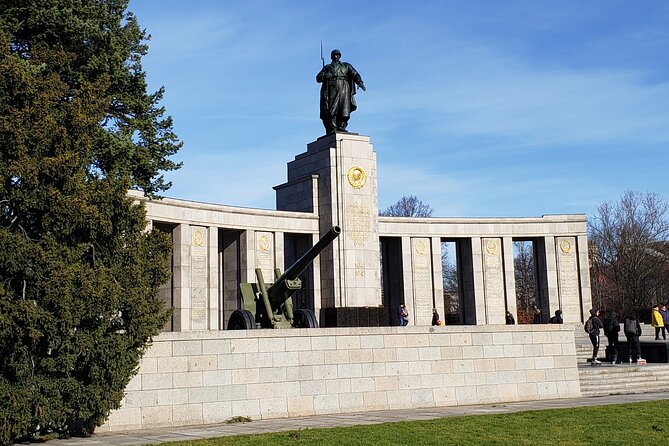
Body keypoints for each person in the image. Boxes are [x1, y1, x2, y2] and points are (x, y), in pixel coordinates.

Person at [316, 49, 365, 134]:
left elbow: (355, 74)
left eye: (338, 55)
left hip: (344, 87)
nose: (336, 56)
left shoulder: (346, 66)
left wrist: (360, 82)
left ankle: (342, 126)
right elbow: (318, 78)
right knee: (332, 109)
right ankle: (332, 127)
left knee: (344, 108)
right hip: (332, 88)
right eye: (335, 55)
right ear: (331, 57)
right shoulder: (327, 67)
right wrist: (325, 75)